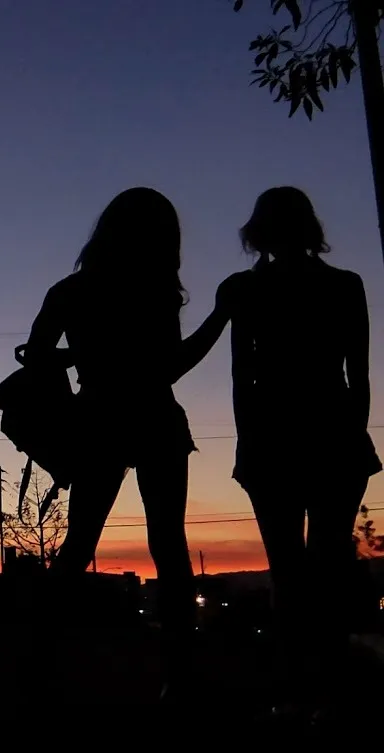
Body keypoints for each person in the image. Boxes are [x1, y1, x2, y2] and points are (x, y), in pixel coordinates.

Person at [23, 187, 228, 699]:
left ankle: (41, 664)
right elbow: (170, 366)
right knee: (169, 545)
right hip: (155, 416)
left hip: (98, 420)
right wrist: (220, 318)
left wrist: (77, 365)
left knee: (78, 545)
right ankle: (180, 675)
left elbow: (36, 358)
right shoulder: (153, 291)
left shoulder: (70, 291)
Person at [223, 186, 378, 718]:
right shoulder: (343, 285)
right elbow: (357, 377)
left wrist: (249, 444)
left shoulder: (249, 290)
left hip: (276, 438)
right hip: (329, 432)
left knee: (288, 569)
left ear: (257, 231)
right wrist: (352, 435)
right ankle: (328, 684)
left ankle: (297, 685)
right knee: (327, 564)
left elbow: (244, 377)